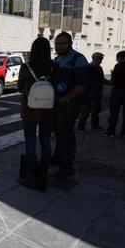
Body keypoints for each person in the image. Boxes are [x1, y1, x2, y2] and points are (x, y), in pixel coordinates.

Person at [17, 37, 59, 191]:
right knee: (46, 142)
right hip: (48, 110)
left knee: (30, 142)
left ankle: (30, 176)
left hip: (30, 110)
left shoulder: (26, 67)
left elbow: (20, 87)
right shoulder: (54, 66)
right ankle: (43, 177)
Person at [52, 32, 90, 179]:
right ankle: (58, 157)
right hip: (57, 102)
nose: (59, 46)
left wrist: (67, 98)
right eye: (57, 44)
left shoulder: (78, 59)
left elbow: (82, 85)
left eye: (63, 43)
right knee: (58, 130)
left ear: (70, 44)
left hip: (71, 103)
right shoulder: (58, 59)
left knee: (66, 132)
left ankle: (68, 165)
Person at [76, 52, 110, 133]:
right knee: (86, 111)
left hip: (97, 93)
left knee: (96, 111)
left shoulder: (99, 67)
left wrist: (109, 83)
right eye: (99, 58)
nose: (101, 60)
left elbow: (101, 79)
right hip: (90, 93)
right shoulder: (91, 66)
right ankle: (80, 127)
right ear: (94, 58)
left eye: (101, 58)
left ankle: (95, 125)